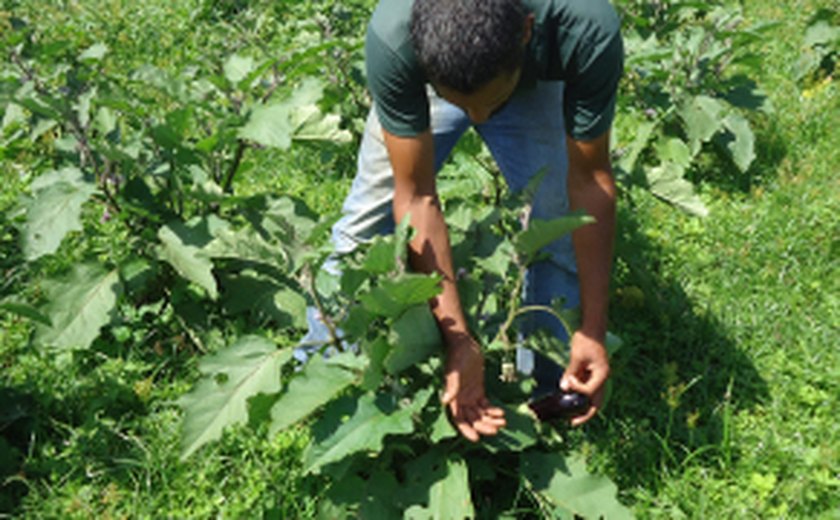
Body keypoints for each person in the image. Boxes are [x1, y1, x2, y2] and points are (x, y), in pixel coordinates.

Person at [323, 0, 623, 442]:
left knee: (557, 222)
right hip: (449, 68)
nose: (479, 118)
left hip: (530, 76)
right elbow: (417, 197)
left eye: (492, 102)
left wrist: (593, 328)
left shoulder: (583, 27)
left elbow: (590, 182)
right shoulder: (396, 35)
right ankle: (329, 376)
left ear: (526, 31)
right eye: (461, 104)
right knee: (364, 227)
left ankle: (551, 395)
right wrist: (461, 343)